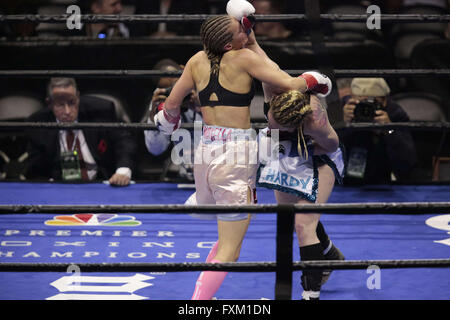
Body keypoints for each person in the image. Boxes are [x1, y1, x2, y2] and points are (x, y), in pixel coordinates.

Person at [153, 3, 332, 300]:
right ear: (228, 43)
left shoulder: (196, 60)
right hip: (234, 157)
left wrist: (167, 121)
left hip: (205, 152)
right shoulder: (244, 58)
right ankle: (197, 304)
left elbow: (169, 110)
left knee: (226, 237)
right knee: (230, 249)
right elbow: (289, 84)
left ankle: (201, 295)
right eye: (240, 29)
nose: (246, 30)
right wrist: (316, 79)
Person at [243, 26, 345, 300]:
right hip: (286, 150)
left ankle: (310, 293)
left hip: (319, 155)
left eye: (277, 124)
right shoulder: (276, 86)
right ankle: (330, 253)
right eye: (269, 118)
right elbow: (261, 57)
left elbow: (332, 145)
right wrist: (249, 34)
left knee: (304, 225)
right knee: (291, 217)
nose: (269, 123)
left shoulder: (315, 121)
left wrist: (308, 147)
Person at [25, 77, 136, 186]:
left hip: (101, 183)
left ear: (78, 97)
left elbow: (123, 141)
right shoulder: (38, 123)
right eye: (60, 105)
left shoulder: (100, 110)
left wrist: (122, 170)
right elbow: (35, 171)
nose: (67, 111)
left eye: (72, 102)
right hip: (60, 188)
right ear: (50, 103)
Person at [341, 78, 417, 184]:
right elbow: (326, 155)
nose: (366, 108)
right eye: (361, 101)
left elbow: (408, 160)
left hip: (383, 178)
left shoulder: (394, 113)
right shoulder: (342, 110)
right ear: (352, 97)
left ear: (384, 101)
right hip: (346, 178)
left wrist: (389, 130)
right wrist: (344, 125)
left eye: (371, 101)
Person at [143, 58, 202, 181]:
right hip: (187, 176)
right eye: (170, 90)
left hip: (219, 172)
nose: (176, 92)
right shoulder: (161, 99)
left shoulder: (207, 88)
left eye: (177, 84)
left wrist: (203, 109)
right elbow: (156, 150)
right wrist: (154, 119)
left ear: (183, 70)